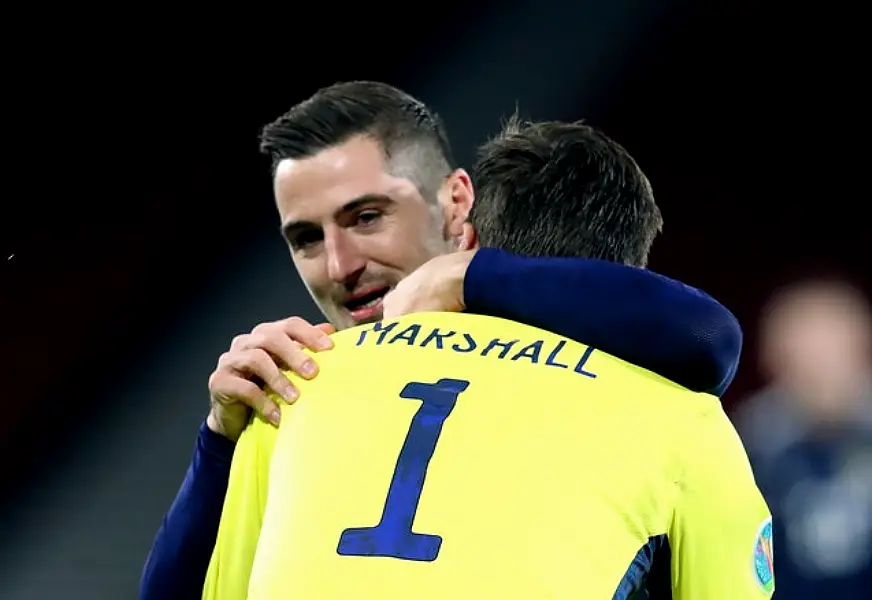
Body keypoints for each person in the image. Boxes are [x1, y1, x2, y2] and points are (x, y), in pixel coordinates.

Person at [140, 82, 743, 599]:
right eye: (305, 239)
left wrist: (468, 276)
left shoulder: (311, 387)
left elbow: (707, 335)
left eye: (367, 217)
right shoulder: (289, 379)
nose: (339, 266)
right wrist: (220, 440)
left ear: (460, 208)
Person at [735, 278, 872, 599]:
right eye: (804, 350)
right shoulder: (748, 442)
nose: (820, 366)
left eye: (832, 348)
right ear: (772, 356)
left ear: (862, 346)